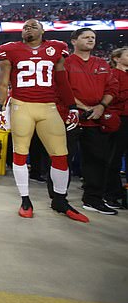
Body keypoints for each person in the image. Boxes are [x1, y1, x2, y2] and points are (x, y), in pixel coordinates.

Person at [0, 19, 87, 222]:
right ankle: (25, 200)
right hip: (21, 105)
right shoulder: (9, 50)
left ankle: (60, 200)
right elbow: (3, 81)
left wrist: (72, 107)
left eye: (33, 26)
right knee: (20, 153)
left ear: (43, 31)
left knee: (60, 155)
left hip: (49, 106)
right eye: (25, 27)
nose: (28, 28)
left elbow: (62, 81)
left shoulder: (56, 48)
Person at [60, 28, 118, 215]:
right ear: (74, 41)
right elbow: (63, 89)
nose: (91, 40)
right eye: (86, 37)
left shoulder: (101, 63)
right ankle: (58, 198)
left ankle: (93, 199)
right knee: (62, 159)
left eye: (93, 37)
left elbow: (112, 87)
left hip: (96, 119)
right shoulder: (66, 63)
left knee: (97, 160)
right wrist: (83, 108)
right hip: (71, 118)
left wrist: (101, 106)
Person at [105, 47, 128, 209]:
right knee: (114, 157)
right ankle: (111, 193)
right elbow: (112, 96)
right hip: (119, 119)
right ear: (117, 58)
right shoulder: (112, 74)